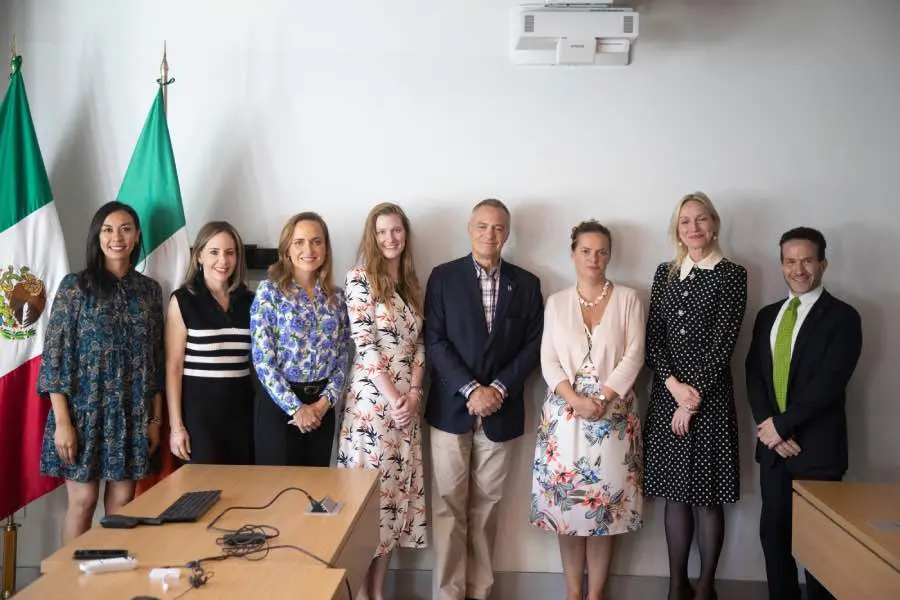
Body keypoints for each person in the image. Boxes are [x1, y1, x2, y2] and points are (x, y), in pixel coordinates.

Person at [424, 198, 544, 600]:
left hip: (501, 411)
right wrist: (472, 389)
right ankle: (448, 593)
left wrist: (498, 389)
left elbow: (532, 347)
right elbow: (435, 341)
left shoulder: (526, 285)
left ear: (507, 233)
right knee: (447, 508)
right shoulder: (442, 278)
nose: (490, 234)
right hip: (451, 410)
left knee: (487, 509)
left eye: (498, 228)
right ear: (469, 228)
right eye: (482, 226)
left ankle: (480, 592)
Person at [745, 227, 862, 600]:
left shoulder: (843, 317)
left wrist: (782, 425)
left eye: (807, 260)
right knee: (774, 540)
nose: (799, 269)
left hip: (818, 453)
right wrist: (769, 430)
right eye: (790, 261)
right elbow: (754, 374)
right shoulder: (767, 316)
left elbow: (829, 383)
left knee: (820, 551)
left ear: (822, 263)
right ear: (781, 265)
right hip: (775, 453)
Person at [531, 220, 645, 600]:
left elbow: (634, 355)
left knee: (604, 512)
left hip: (613, 419)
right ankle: (572, 594)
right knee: (569, 512)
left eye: (601, 251)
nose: (594, 258)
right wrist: (576, 399)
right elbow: (548, 360)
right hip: (565, 419)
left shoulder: (629, 298)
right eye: (585, 251)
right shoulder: (557, 301)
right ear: (573, 253)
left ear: (610, 255)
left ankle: (595, 595)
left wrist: (606, 396)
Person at [38, 201, 163, 543]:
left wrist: (155, 420)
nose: (116, 237)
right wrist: (63, 422)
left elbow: (155, 361)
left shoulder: (150, 291)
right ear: (97, 236)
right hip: (83, 413)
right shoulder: (75, 287)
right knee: (83, 501)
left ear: (137, 236)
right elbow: (55, 359)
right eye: (107, 229)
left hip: (130, 413)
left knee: (122, 506)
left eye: (125, 229)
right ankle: (69, 589)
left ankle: (109, 585)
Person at [643, 192, 747, 600]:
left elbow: (725, 344)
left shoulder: (731, 274)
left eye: (701, 220)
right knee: (674, 495)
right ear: (677, 228)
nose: (694, 228)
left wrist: (694, 397)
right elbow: (655, 340)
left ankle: (705, 588)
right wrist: (674, 388)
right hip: (668, 395)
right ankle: (675, 586)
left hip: (711, 401)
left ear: (715, 225)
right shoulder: (664, 273)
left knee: (706, 496)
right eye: (685, 221)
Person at [338, 202, 427, 600]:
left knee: (394, 500)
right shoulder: (360, 279)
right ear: (372, 238)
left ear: (405, 234)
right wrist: (394, 399)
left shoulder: (411, 284)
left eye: (396, 230)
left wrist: (413, 395)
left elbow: (420, 344)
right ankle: (358, 591)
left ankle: (377, 593)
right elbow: (365, 344)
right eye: (382, 232)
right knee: (368, 502)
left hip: (406, 409)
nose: (390, 238)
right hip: (373, 407)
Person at [250, 212, 351, 467]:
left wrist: (322, 404)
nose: (309, 249)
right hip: (280, 407)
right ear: (286, 249)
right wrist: (297, 409)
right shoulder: (269, 292)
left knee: (314, 496)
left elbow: (342, 356)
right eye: (299, 242)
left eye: (317, 241)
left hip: (322, 408)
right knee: (279, 496)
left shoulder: (336, 297)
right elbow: (263, 360)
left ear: (326, 248)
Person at [165, 221, 255, 465]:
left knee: (243, 491)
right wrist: (176, 427)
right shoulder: (183, 300)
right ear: (199, 257)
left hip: (241, 414)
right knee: (201, 494)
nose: (222, 261)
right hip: (199, 418)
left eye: (230, 253)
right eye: (214, 252)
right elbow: (173, 367)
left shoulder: (250, 301)